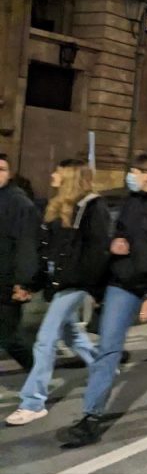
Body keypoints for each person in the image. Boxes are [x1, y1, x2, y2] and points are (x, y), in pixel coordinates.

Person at [63, 153, 147, 447]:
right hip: (123, 283)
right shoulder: (131, 201)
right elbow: (120, 233)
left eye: (135, 171)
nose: (130, 175)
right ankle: (91, 417)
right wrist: (115, 244)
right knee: (108, 348)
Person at [6, 159, 109, 426]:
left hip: (74, 283)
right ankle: (103, 367)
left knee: (45, 340)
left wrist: (95, 288)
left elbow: (97, 251)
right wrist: (31, 283)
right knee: (70, 333)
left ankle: (33, 402)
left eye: (58, 172)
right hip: (57, 281)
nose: (52, 174)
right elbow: (47, 251)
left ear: (70, 176)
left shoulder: (92, 207)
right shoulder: (56, 205)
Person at [0, 153, 39, 371]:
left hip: (7, 281)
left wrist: (23, 282)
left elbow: (27, 244)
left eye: (1, 169)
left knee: (8, 337)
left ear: (10, 173)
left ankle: (37, 370)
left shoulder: (19, 203)